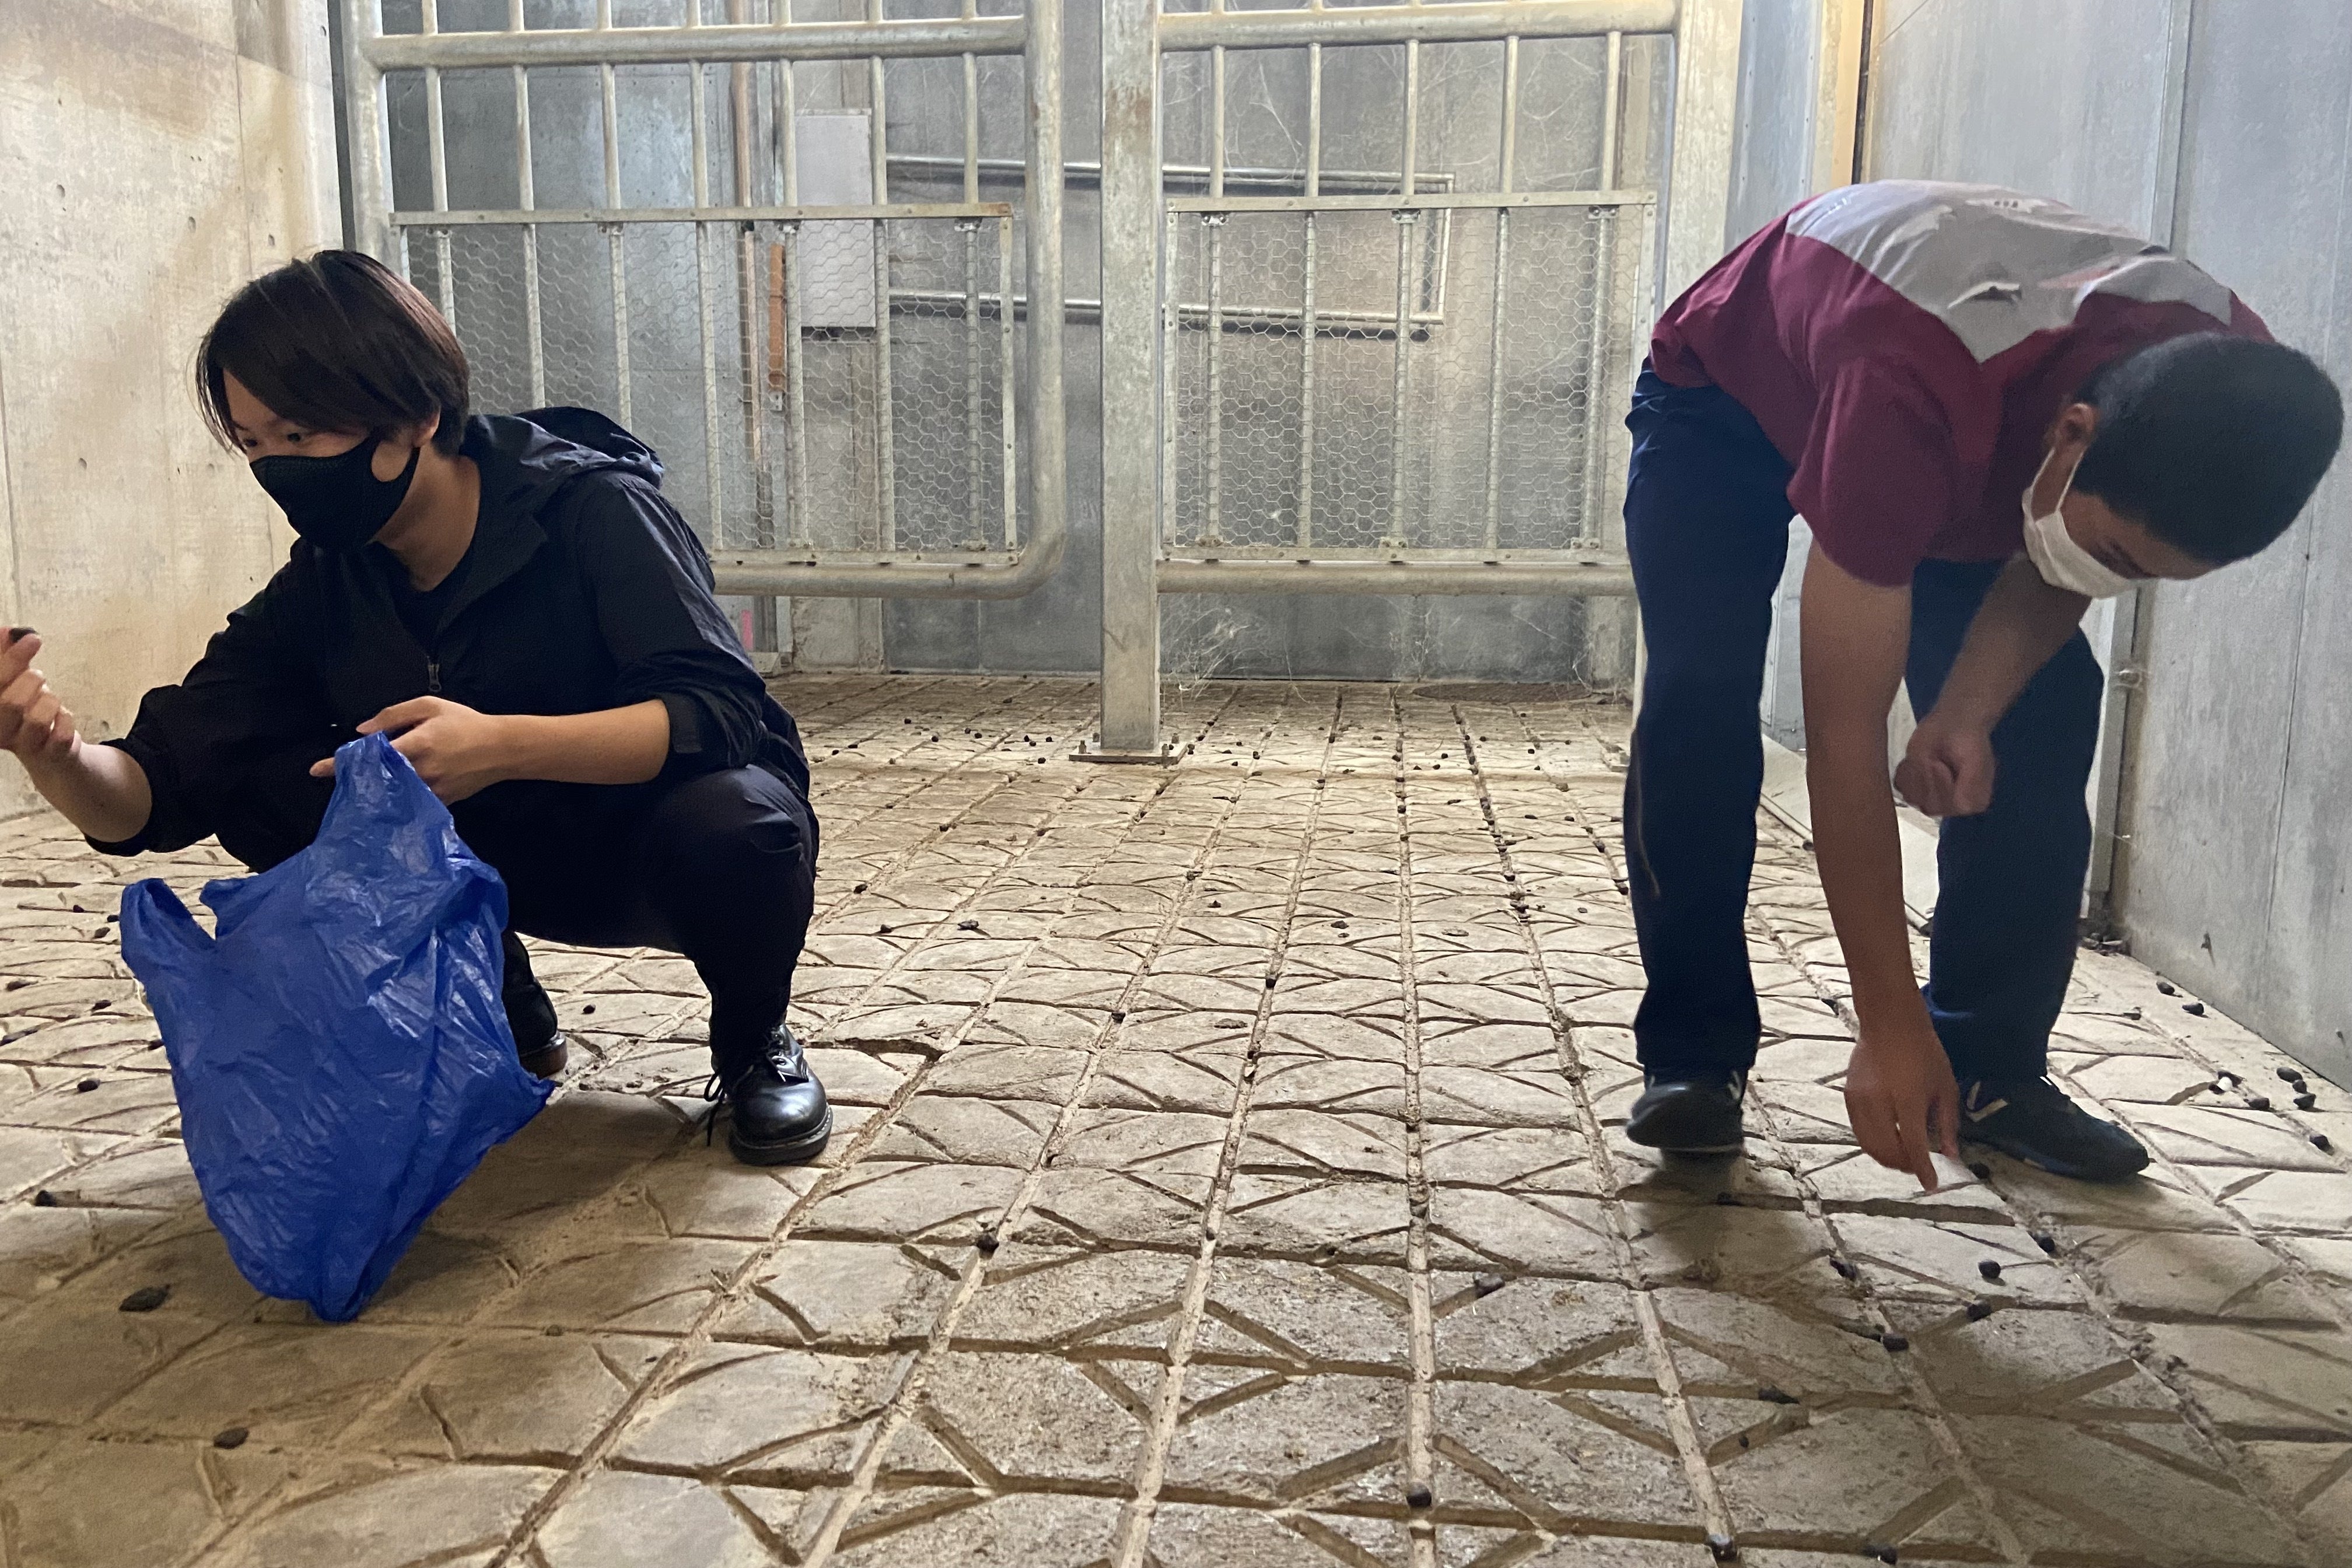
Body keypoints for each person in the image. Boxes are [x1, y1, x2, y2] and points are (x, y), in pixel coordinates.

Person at [0, 251, 831, 1167]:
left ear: (414, 416)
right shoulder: (328, 579)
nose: (276, 469)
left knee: (739, 824)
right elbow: (160, 783)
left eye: (299, 434)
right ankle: (505, 1016)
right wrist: (53, 752)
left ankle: (754, 1041)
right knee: (273, 787)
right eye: (254, 444)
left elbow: (720, 709)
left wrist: (502, 746)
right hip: (487, 859)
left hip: (641, 846)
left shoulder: (592, 510)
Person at [1620, 180, 2342, 1184]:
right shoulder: (1906, 389)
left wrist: (1967, 712)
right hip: (1730, 394)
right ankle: (1694, 1058)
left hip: (1982, 414)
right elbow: (1844, 738)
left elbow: (2068, 562)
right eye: (2119, 558)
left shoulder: (2236, 390)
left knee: (2038, 720)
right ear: (2073, 434)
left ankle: (1991, 1067)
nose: (2111, 583)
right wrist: (1886, 1023)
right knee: (1699, 701)